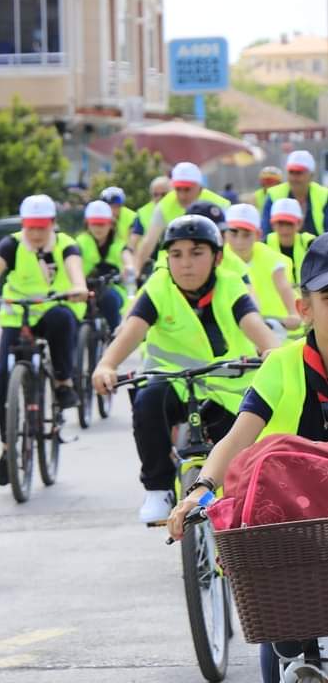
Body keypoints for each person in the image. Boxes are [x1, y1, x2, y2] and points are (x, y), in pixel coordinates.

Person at [168, 233, 328, 682]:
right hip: (291, 528)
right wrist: (200, 490)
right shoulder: (282, 364)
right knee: (285, 637)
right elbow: (237, 441)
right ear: (305, 310)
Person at [91, 215, 278, 523]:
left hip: (226, 387)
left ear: (217, 256)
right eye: (176, 255)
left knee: (239, 456)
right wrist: (106, 365)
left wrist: (272, 350)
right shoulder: (159, 287)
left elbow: (255, 326)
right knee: (147, 401)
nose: (186, 264)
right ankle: (158, 488)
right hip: (174, 384)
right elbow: (132, 329)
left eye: (196, 253)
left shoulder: (230, 284)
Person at [0, 194, 88, 482]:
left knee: (63, 320)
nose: (36, 233)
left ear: (53, 224)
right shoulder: (11, 244)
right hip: (18, 315)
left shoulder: (66, 244)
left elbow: (75, 271)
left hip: (52, 309)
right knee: (2, 376)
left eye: (42, 227)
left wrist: (78, 287)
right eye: (31, 227)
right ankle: (8, 448)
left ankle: (64, 382)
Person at [132, 161, 231, 273]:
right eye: (178, 189)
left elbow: (229, 242)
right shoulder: (164, 205)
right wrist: (136, 271)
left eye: (187, 189)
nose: (182, 195)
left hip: (214, 263)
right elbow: (149, 241)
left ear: (199, 186)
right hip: (173, 265)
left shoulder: (219, 205)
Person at [224, 203, 300, 334]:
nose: (239, 241)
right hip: (235, 330)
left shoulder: (271, 258)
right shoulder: (218, 260)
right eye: (233, 233)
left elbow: (283, 286)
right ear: (224, 234)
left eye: (246, 234)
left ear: (258, 235)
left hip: (275, 329)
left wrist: (294, 314)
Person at [76, 199, 133, 331]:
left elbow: (128, 260)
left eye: (102, 224)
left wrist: (129, 269)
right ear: (87, 224)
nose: (98, 228)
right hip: (85, 288)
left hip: (112, 287)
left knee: (110, 299)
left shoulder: (119, 244)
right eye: (94, 224)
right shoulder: (79, 242)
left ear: (110, 224)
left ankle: (116, 337)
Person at [260, 150, 328, 237]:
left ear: (311, 175)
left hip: (318, 248)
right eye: (291, 172)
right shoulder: (274, 195)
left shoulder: (324, 196)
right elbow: (266, 233)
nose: (294, 177)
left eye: (299, 173)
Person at [265, 197, 316, 287]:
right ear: (272, 225)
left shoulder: (311, 243)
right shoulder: (264, 245)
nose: (285, 229)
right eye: (280, 224)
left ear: (299, 223)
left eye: (289, 224)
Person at [128, 175, 173, 254]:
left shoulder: (180, 206)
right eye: (155, 195)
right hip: (152, 261)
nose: (159, 198)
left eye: (163, 194)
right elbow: (133, 242)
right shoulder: (143, 212)